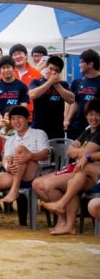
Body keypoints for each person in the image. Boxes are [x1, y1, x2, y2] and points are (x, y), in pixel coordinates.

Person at [0, 106, 49, 230]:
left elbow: (45, 153)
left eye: (19, 118)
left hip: (35, 172)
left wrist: (30, 155)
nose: (16, 121)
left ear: (28, 119)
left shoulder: (38, 133)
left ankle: (14, 190)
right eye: (13, 119)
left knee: (20, 150)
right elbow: (6, 159)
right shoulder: (11, 139)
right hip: (15, 173)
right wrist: (7, 166)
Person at [34, 99, 100, 235]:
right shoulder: (88, 130)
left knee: (48, 185)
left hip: (91, 176)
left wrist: (85, 153)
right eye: (90, 114)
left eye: (97, 114)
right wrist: (83, 153)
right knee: (37, 183)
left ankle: (65, 217)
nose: (93, 118)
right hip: (80, 171)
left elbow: (85, 153)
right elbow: (70, 151)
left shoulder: (99, 132)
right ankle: (63, 220)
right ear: (86, 115)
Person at [28, 55, 75, 140]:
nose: (53, 72)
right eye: (51, 69)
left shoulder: (63, 84)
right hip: (38, 127)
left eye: (56, 71)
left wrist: (56, 84)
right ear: (46, 67)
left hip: (56, 129)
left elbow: (71, 99)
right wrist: (50, 82)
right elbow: (32, 95)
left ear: (60, 72)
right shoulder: (36, 81)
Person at [65, 49, 100, 140]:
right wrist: (67, 119)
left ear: (91, 64)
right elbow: (74, 102)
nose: (79, 65)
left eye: (81, 62)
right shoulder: (77, 82)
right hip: (76, 126)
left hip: (94, 126)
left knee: (88, 153)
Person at [0, 56, 29, 122]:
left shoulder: (22, 86)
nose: (6, 70)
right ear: (0, 70)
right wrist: (0, 117)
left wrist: (14, 118)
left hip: (17, 122)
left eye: (8, 67)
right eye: (3, 68)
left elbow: (24, 107)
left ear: (14, 68)